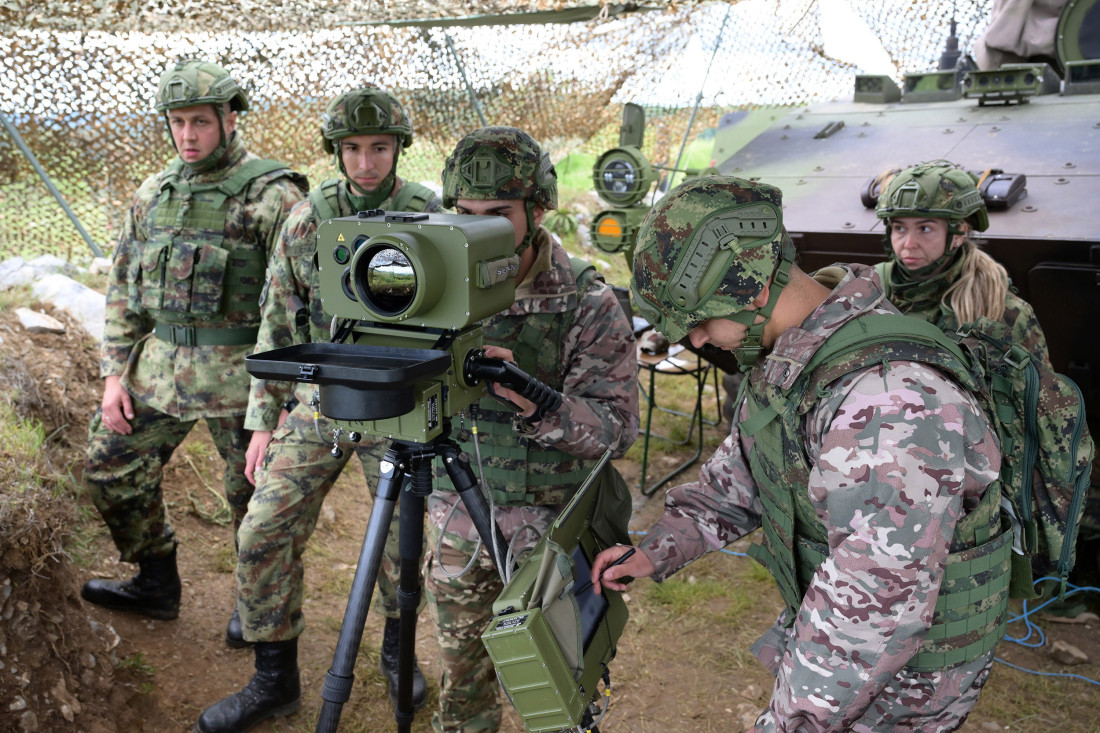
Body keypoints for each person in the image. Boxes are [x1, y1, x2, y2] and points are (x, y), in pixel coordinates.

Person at [592, 176, 1011, 731]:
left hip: (903, 682)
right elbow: (743, 471)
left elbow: (872, 607)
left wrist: (788, 720)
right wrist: (658, 549)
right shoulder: (792, 353)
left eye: (697, 323)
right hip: (846, 652)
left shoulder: (893, 404)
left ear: (753, 293)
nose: (693, 342)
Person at [194, 86, 442, 733]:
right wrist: (261, 419)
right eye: (353, 148)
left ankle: (397, 650)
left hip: (401, 400)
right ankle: (274, 679)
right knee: (262, 530)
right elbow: (277, 320)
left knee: (403, 545)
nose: (365, 162)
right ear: (336, 151)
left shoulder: (429, 215)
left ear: (399, 149)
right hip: (321, 395)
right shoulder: (308, 217)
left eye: (379, 148)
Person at [425, 126, 639, 733]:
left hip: (550, 527)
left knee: (556, 690)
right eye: (465, 214)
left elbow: (617, 431)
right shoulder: (435, 288)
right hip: (457, 517)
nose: (478, 229)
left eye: (498, 214)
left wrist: (535, 398)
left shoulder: (584, 302)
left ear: (538, 210)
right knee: (461, 678)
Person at [81, 59, 306, 624]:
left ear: (230, 119)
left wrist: (280, 400)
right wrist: (114, 376)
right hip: (159, 369)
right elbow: (122, 291)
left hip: (243, 378)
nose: (187, 135)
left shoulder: (274, 196)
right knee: (110, 466)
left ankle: (255, 609)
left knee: (253, 502)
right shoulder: (153, 195)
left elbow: (297, 306)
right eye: (177, 122)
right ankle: (156, 580)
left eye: (200, 121)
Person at [875, 160, 1050, 365]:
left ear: (959, 233)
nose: (908, 244)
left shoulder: (998, 307)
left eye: (925, 229)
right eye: (899, 228)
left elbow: (1039, 390)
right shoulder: (870, 290)